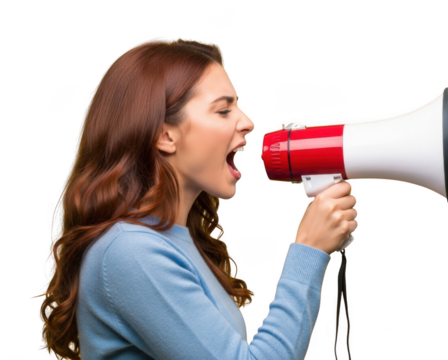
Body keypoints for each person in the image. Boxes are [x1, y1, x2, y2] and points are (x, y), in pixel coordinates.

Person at [30, 36, 357, 359]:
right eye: (223, 110)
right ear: (164, 135)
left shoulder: (168, 242)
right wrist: (309, 250)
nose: (248, 122)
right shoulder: (131, 251)